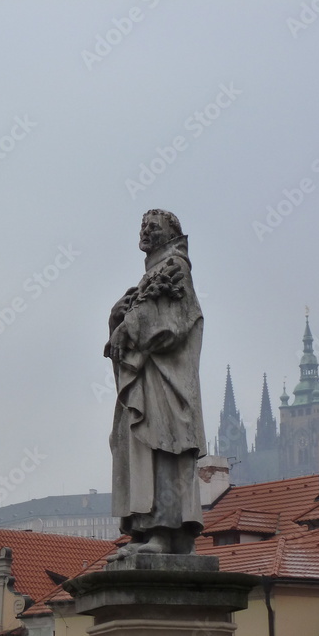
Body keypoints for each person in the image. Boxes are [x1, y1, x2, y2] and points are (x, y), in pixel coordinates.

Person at [104, 209, 205, 556]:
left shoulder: (175, 267)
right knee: (144, 447)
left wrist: (127, 325)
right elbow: (138, 319)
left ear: (171, 234)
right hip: (150, 377)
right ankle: (148, 531)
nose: (146, 230)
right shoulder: (151, 275)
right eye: (143, 225)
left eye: (154, 226)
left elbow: (170, 324)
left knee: (164, 448)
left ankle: (164, 532)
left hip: (167, 381)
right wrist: (117, 318)